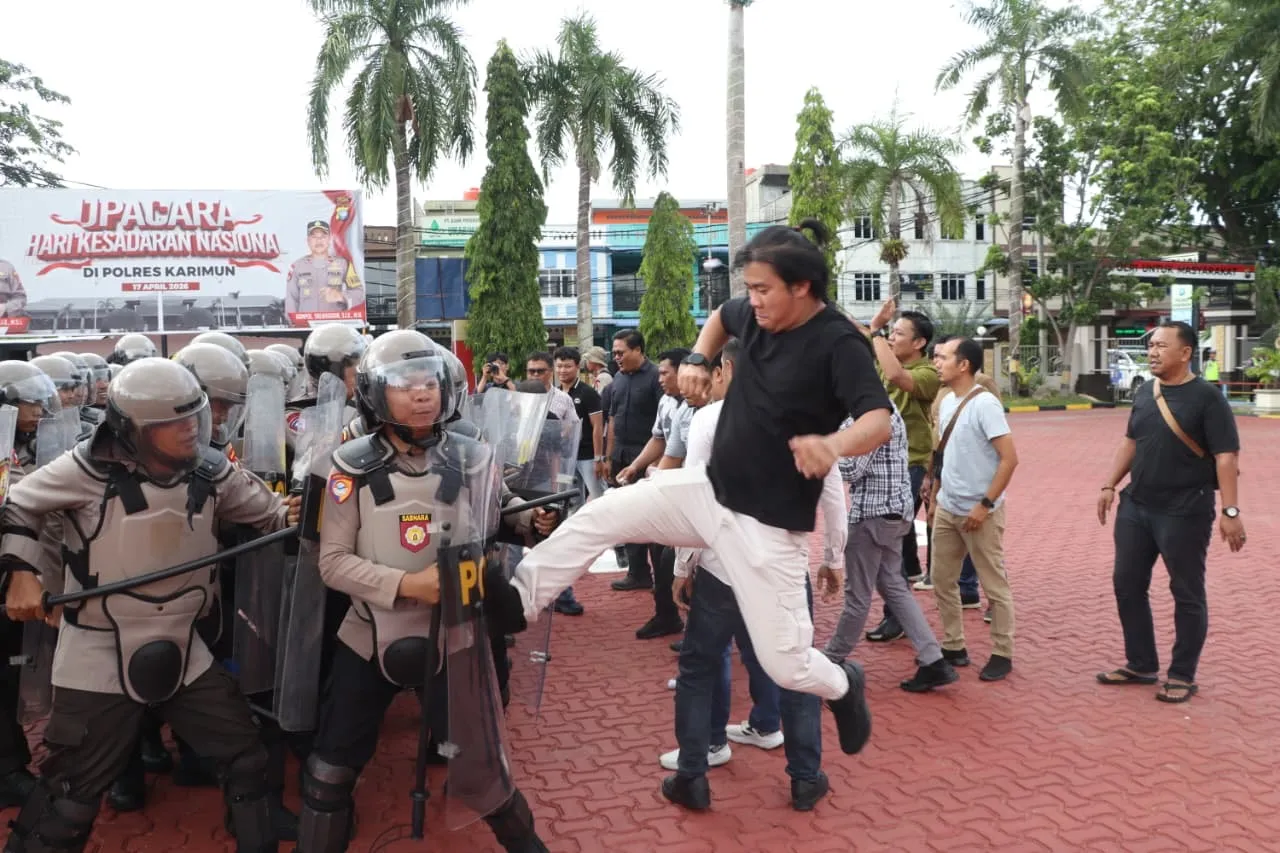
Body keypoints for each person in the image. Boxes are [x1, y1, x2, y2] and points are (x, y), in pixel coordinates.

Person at [508, 220, 891, 785]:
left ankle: (842, 683)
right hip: (709, 491)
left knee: (785, 662)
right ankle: (517, 600)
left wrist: (831, 445)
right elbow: (719, 318)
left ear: (804, 286)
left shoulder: (839, 344)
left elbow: (878, 420)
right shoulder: (750, 315)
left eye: (763, 289)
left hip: (767, 525)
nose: (752, 300)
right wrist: (695, 356)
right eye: (750, 287)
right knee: (604, 512)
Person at [1, 357, 299, 853]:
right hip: (97, 646)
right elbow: (17, 506)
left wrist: (309, 505)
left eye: (194, 417)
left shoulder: (211, 470)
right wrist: (21, 573)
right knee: (71, 791)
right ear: (133, 430)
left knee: (247, 759)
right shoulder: (83, 469)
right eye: (173, 423)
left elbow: (268, 513)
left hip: (185, 645)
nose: (190, 431)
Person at [296, 330, 555, 853]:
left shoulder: (476, 459)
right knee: (330, 773)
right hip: (368, 635)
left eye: (429, 383)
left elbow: (500, 513)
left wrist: (535, 518)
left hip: (456, 637)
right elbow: (332, 563)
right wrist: (406, 584)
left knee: (486, 773)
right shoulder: (346, 468)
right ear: (375, 393)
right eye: (406, 385)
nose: (422, 395)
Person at [661, 340, 844, 812]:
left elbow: (693, 497)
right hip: (783, 570)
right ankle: (805, 778)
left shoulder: (709, 419)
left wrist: (685, 565)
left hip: (724, 568)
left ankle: (693, 775)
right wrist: (833, 557)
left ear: (726, 368)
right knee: (794, 668)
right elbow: (833, 495)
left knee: (700, 668)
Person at [1096, 321, 1243, 703]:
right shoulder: (1146, 391)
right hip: (1137, 506)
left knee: (1186, 591)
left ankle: (1182, 674)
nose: (1153, 351)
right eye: (1152, 346)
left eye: (1162, 345)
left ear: (1186, 352)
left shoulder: (1208, 397)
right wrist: (1109, 484)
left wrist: (1230, 509)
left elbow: (1226, 456)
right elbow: (1131, 442)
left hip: (1185, 510)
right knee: (1127, 584)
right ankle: (1141, 663)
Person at [925, 337, 1018, 682]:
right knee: (941, 580)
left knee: (994, 586)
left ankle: (1002, 652)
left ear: (963, 364)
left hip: (982, 512)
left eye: (943, 357)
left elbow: (1010, 460)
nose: (937, 362)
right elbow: (943, 453)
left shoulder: (985, 405)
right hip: (949, 507)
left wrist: (985, 504)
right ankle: (954, 645)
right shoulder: (948, 400)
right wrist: (935, 498)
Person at [284, 221, 365, 321]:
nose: (319, 241)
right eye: (314, 237)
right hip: (306, 326)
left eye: (323, 236)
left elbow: (359, 292)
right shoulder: (297, 266)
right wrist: (293, 325)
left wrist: (341, 296)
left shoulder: (343, 264)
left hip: (335, 326)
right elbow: (291, 300)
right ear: (308, 241)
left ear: (329, 239)